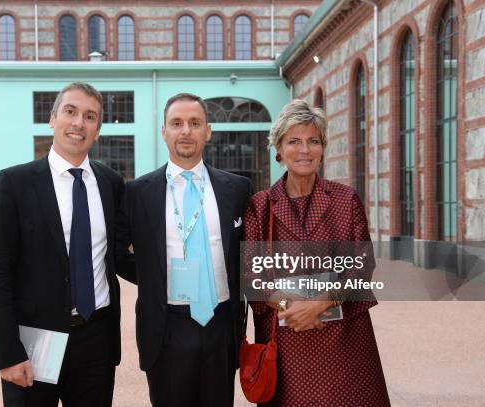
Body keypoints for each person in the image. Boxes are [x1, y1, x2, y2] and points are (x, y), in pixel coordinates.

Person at [0, 82, 134, 407]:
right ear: (53, 118)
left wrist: (177, 273)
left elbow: (119, 256)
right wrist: (8, 351)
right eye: (71, 111)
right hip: (38, 338)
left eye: (90, 116)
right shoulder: (14, 183)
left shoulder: (110, 183)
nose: (79, 122)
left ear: (98, 129)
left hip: (96, 337)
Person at [243, 99, 390, 406]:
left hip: (343, 337)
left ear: (323, 149)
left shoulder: (345, 199)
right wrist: (291, 304)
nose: (304, 150)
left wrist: (319, 303)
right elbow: (251, 278)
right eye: (294, 141)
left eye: (313, 141)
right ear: (279, 150)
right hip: (286, 338)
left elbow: (362, 267)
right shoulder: (260, 205)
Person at [116, 93, 253, 406]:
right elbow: (116, 252)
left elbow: (250, 252)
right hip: (166, 327)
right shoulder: (138, 193)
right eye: (176, 123)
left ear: (208, 131)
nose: (186, 131)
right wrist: (154, 279)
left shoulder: (237, 189)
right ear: (163, 131)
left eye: (195, 123)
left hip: (221, 324)